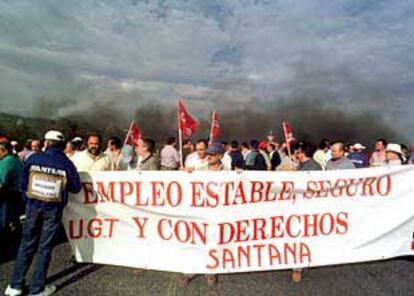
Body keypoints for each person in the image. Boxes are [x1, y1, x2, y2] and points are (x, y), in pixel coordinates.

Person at [4, 130, 81, 296]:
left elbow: (23, 184)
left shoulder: (34, 158)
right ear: (62, 146)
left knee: (26, 245)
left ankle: (15, 286)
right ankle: (36, 289)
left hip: (32, 207)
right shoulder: (65, 163)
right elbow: (76, 187)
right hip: (52, 210)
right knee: (44, 248)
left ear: (46, 143)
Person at [178, 142, 226, 289]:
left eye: (212, 154)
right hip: (200, 213)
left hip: (218, 213)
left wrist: (241, 176)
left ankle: (210, 273)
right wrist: (185, 172)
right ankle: (190, 271)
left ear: (220, 156)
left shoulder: (228, 172)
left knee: (213, 242)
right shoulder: (199, 170)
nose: (208, 156)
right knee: (196, 241)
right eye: (208, 153)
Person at [0, 140, 23, 257]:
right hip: (17, 194)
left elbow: (1, 183)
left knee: (3, 221)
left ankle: (5, 247)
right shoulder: (15, 159)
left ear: (4, 150)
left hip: (8, 195)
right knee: (13, 220)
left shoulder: (6, 162)